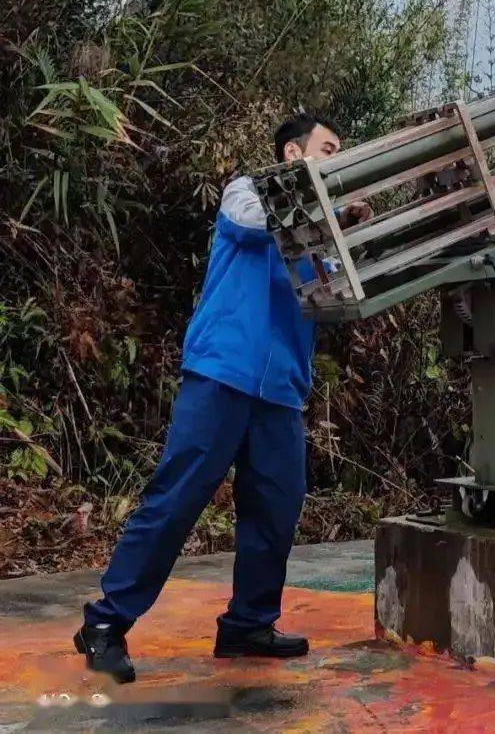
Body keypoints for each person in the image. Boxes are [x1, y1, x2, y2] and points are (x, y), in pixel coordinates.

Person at [74, 113, 371, 683]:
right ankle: (105, 624)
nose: (337, 158)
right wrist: (328, 212)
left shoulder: (321, 225)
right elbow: (253, 224)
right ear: (292, 153)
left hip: (281, 389)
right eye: (328, 148)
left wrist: (349, 231)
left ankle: (247, 626)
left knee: (276, 509)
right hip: (222, 373)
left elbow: (334, 289)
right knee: (177, 498)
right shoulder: (247, 190)